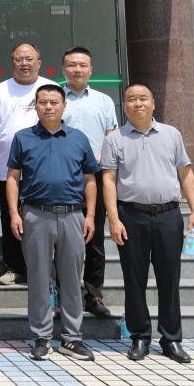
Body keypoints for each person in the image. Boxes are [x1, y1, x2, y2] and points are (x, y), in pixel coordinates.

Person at [102, 83, 194, 364]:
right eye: (131, 99)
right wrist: (113, 218)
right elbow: (108, 180)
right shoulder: (114, 139)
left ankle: (171, 339)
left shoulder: (171, 134)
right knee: (134, 278)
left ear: (153, 103)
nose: (138, 103)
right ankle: (140, 336)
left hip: (169, 216)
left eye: (143, 98)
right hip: (131, 216)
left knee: (170, 278)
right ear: (124, 106)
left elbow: (185, 173)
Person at [6, 84, 99, 363]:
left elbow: (90, 179)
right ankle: (42, 337)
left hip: (72, 216)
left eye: (54, 102)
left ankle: (71, 338)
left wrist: (90, 216)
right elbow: (12, 177)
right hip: (36, 214)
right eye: (43, 102)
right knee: (38, 277)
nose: (48, 106)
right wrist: (14, 213)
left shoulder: (78, 138)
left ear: (64, 106)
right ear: (35, 106)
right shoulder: (23, 138)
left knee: (71, 279)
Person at [0, 43, 56, 286]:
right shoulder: (1, 90)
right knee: (10, 217)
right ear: (12, 62)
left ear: (39, 63)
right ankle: (14, 267)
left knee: (44, 219)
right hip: (8, 168)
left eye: (29, 59)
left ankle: (46, 268)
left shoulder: (50, 88)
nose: (24, 63)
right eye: (19, 59)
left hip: (43, 170)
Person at [61, 47, 118, 318]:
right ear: (64, 69)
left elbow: (112, 136)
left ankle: (94, 295)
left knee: (94, 239)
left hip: (95, 174)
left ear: (91, 70)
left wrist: (105, 160)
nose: (78, 69)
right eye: (72, 65)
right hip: (63, 176)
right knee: (63, 239)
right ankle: (65, 295)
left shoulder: (104, 101)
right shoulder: (56, 98)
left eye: (83, 65)